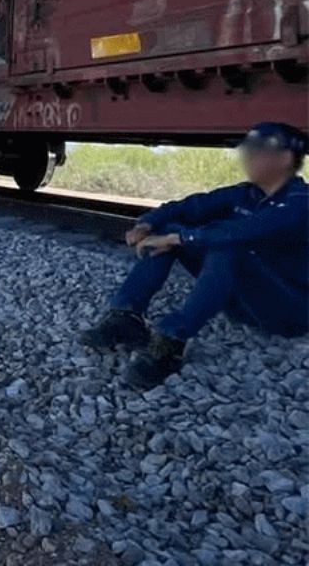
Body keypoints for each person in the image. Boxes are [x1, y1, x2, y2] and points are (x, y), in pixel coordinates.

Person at [79, 122, 309, 389]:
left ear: (284, 158)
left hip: (290, 311)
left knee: (224, 244)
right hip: (246, 304)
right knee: (170, 229)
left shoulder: (300, 201)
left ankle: (170, 343)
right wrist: (148, 224)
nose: (247, 156)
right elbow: (189, 206)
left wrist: (180, 238)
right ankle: (126, 316)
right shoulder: (244, 194)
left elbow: (243, 230)